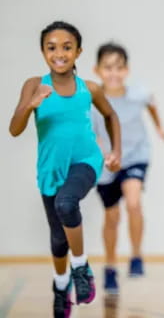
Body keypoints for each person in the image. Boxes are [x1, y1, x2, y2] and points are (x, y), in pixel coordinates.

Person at [8, 21, 121, 318]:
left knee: (67, 204)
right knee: (59, 240)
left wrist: (115, 151)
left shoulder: (89, 88)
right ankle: (61, 286)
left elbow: (111, 116)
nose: (59, 53)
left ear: (78, 52)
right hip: (50, 170)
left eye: (67, 47)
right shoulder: (34, 84)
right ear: (43, 51)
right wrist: (30, 105)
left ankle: (81, 268)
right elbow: (14, 129)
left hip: (85, 160)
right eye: (52, 47)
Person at [91, 42, 164, 294]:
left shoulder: (138, 93)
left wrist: (159, 128)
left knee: (134, 201)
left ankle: (137, 255)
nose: (114, 73)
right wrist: (105, 155)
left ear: (127, 70)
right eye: (108, 68)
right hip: (106, 162)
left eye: (119, 67)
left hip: (136, 155)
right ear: (97, 70)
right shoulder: (92, 98)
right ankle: (110, 266)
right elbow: (91, 132)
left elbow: (151, 103)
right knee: (112, 217)